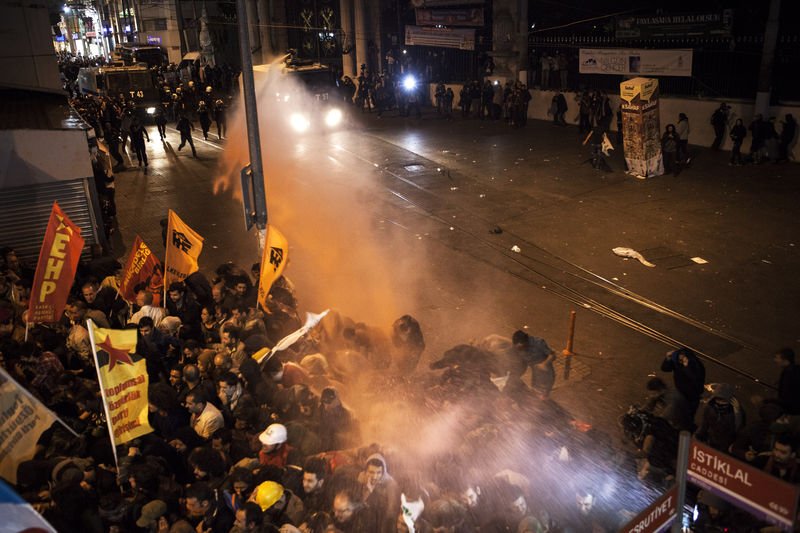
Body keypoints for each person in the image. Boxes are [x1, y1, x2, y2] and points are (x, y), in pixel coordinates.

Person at [661, 347, 705, 424]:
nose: (678, 362)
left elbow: (695, 378)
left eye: (680, 360)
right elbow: (665, 369)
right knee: (679, 413)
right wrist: (667, 359)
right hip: (680, 392)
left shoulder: (696, 365)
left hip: (692, 396)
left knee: (688, 416)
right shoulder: (678, 361)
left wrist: (687, 367)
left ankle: (688, 427)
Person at [510, 329, 556, 398]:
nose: (519, 349)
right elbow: (522, 363)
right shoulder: (518, 348)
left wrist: (544, 364)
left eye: (520, 347)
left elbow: (553, 355)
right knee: (534, 395)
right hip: (536, 375)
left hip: (547, 374)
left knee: (543, 397)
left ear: (525, 342)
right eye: (517, 347)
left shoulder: (538, 343)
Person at [774, 347, 800, 415]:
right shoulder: (796, 369)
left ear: (785, 360)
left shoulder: (789, 374)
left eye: (777, 358)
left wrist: (766, 401)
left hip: (792, 411)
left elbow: (786, 397)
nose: (775, 360)